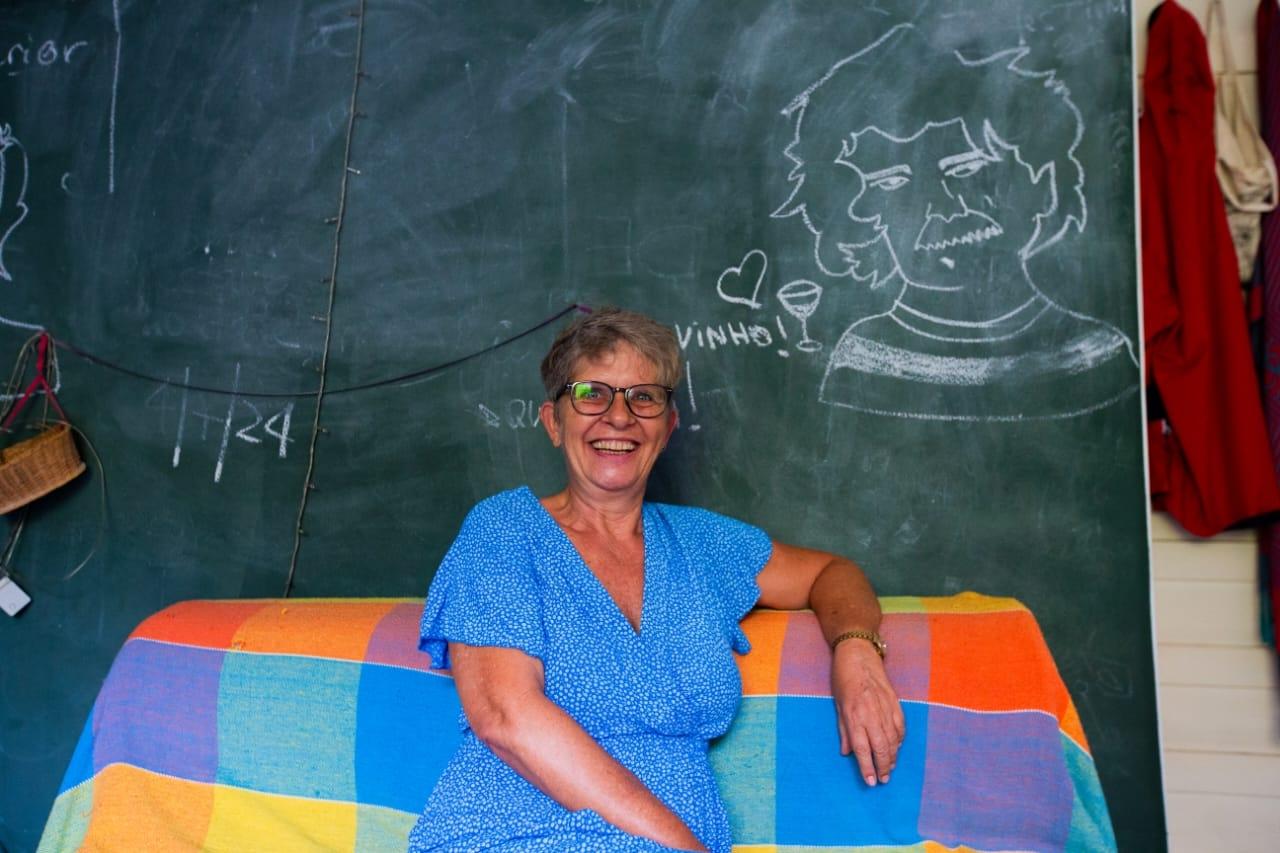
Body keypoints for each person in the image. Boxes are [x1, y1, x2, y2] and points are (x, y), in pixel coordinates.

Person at [408, 308, 903, 852]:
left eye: (643, 397)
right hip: (515, 835)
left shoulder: (705, 547)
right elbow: (507, 717)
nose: (619, 417)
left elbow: (833, 573)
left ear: (666, 428)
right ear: (554, 422)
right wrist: (681, 844)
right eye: (592, 393)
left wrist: (857, 653)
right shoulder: (504, 531)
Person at [771, 24, 1137, 420]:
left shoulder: (1094, 352)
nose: (941, 208)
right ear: (856, 214)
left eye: (966, 170)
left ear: (1037, 178)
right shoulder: (864, 358)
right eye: (894, 183)